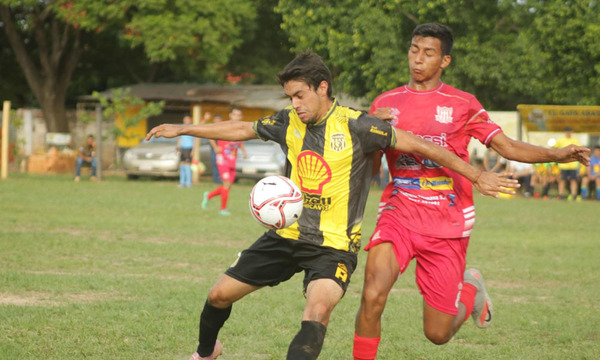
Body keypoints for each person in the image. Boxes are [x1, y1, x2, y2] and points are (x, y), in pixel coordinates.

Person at [146, 51, 516, 360]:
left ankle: (467, 289)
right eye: (289, 97)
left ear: (322, 88)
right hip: (286, 235)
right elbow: (242, 128)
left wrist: (475, 174)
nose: (294, 104)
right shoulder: (287, 122)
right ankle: (206, 353)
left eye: (300, 95)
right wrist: (183, 130)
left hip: (333, 247)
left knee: (317, 311)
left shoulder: (359, 125)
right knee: (218, 295)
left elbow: (419, 145)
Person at [353, 23, 591, 360]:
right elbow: (370, 165)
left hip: (447, 222)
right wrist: (368, 132)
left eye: (429, 53)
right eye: (414, 50)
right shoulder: (386, 102)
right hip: (399, 214)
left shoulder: (462, 104)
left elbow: (506, 146)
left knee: (437, 334)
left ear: (445, 60)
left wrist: (557, 154)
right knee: (372, 295)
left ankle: (471, 289)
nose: (418, 59)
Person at [202, 107, 247, 215]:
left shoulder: (240, 128)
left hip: (232, 160)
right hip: (222, 159)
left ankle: (208, 195)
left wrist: (244, 151)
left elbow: (239, 142)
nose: (236, 117)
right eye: (234, 115)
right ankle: (223, 209)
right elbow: (210, 136)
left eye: (238, 115)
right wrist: (215, 147)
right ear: (230, 115)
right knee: (226, 184)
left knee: (227, 186)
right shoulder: (224, 126)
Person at [554, 126, 582, 201]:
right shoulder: (560, 140)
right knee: (562, 180)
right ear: (565, 132)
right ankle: (561, 195)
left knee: (573, 180)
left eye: (569, 131)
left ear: (571, 132)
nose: (568, 132)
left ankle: (573, 195)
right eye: (567, 131)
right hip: (563, 165)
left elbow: (578, 152)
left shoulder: (575, 141)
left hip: (573, 164)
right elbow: (555, 149)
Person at [178, 114, 195, 188]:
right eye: (185, 119)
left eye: (188, 119)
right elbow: (180, 139)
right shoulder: (182, 128)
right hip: (182, 148)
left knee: (187, 165)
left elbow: (194, 140)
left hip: (189, 148)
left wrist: (193, 151)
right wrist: (177, 148)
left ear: (190, 120)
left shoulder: (192, 128)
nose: (186, 121)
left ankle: (188, 183)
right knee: (182, 165)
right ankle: (182, 182)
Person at [208, 114, 223, 184]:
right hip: (215, 149)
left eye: (218, 119)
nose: (217, 121)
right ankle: (216, 180)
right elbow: (210, 139)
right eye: (216, 119)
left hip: (222, 150)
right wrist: (215, 147)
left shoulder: (223, 128)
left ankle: (222, 179)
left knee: (222, 164)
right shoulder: (212, 128)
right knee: (215, 164)